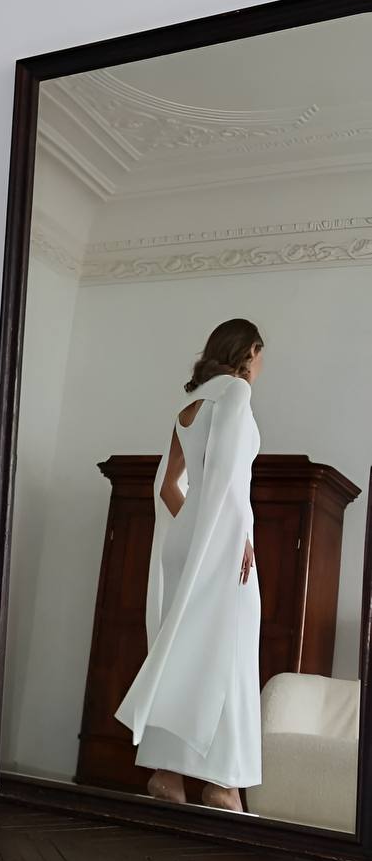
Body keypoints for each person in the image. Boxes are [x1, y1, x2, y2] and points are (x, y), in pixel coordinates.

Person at [115, 320, 264, 813]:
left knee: (183, 648)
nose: (261, 368)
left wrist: (193, 532)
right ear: (249, 352)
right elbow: (228, 477)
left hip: (188, 540)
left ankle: (166, 772)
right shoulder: (237, 394)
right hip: (224, 544)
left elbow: (168, 487)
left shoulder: (190, 405)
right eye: (261, 357)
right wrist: (235, 537)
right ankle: (223, 783)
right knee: (230, 655)